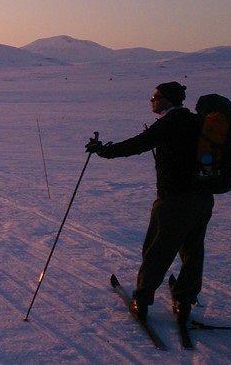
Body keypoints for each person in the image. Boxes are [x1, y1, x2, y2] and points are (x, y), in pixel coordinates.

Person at [85, 82, 209, 326]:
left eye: (155, 96)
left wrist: (104, 151)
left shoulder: (170, 124)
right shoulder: (197, 122)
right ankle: (184, 301)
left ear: (168, 100)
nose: (152, 100)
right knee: (193, 250)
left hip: (174, 199)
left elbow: (138, 144)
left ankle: (141, 301)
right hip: (203, 199)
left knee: (157, 249)